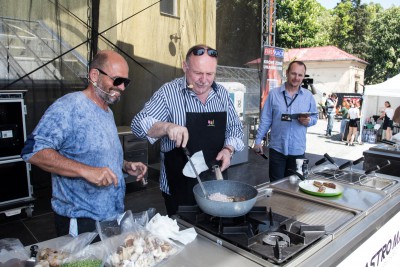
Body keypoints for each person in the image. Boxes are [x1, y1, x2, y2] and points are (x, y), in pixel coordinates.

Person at [21, 50, 147, 236]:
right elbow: (33, 151)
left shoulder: (107, 112)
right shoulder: (68, 107)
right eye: (117, 80)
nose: (122, 88)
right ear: (94, 75)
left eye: (125, 82)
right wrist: (85, 171)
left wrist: (125, 166)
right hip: (81, 222)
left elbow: (95, 154)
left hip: (112, 216)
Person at [131, 44, 244, 216]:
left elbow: (235, 129)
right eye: (198, 73)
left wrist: (228, 149)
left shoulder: (221, 93)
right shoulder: (169, 93)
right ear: (185, 67)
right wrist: (166, 127)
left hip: (216, 188)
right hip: (179, 189)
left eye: (210, 74)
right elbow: (138, 125)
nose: (204, 80)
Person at [253, 60, 318, 182]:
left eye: (300, 75)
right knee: (276, 185)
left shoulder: (308, 96)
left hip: (297, 150)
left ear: (303, 76)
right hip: (277, 149)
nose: (296, 78)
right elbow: (266, 119)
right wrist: (258, 141)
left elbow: (315, 117)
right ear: (287, 73)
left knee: (295, 186)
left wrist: (308, 121)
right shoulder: (274, 95)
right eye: (293, 74)